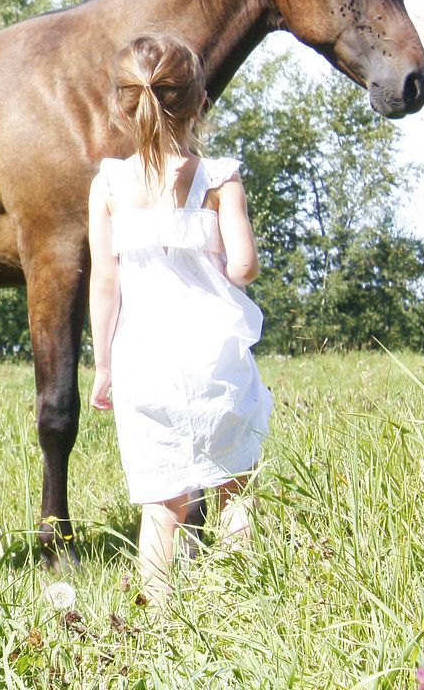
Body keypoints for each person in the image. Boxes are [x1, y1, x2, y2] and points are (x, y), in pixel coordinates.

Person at [86, 33, 274, 599]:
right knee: (233, 488)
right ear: (201, 102)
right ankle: (244, 606)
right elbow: (243, 266)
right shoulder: (220, 179)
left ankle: (162, 624)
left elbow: (105, 282)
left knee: (161, 505)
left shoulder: (110, 186)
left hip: (145, 358)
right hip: (214, 353)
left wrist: (103, 367)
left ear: (123, 105)